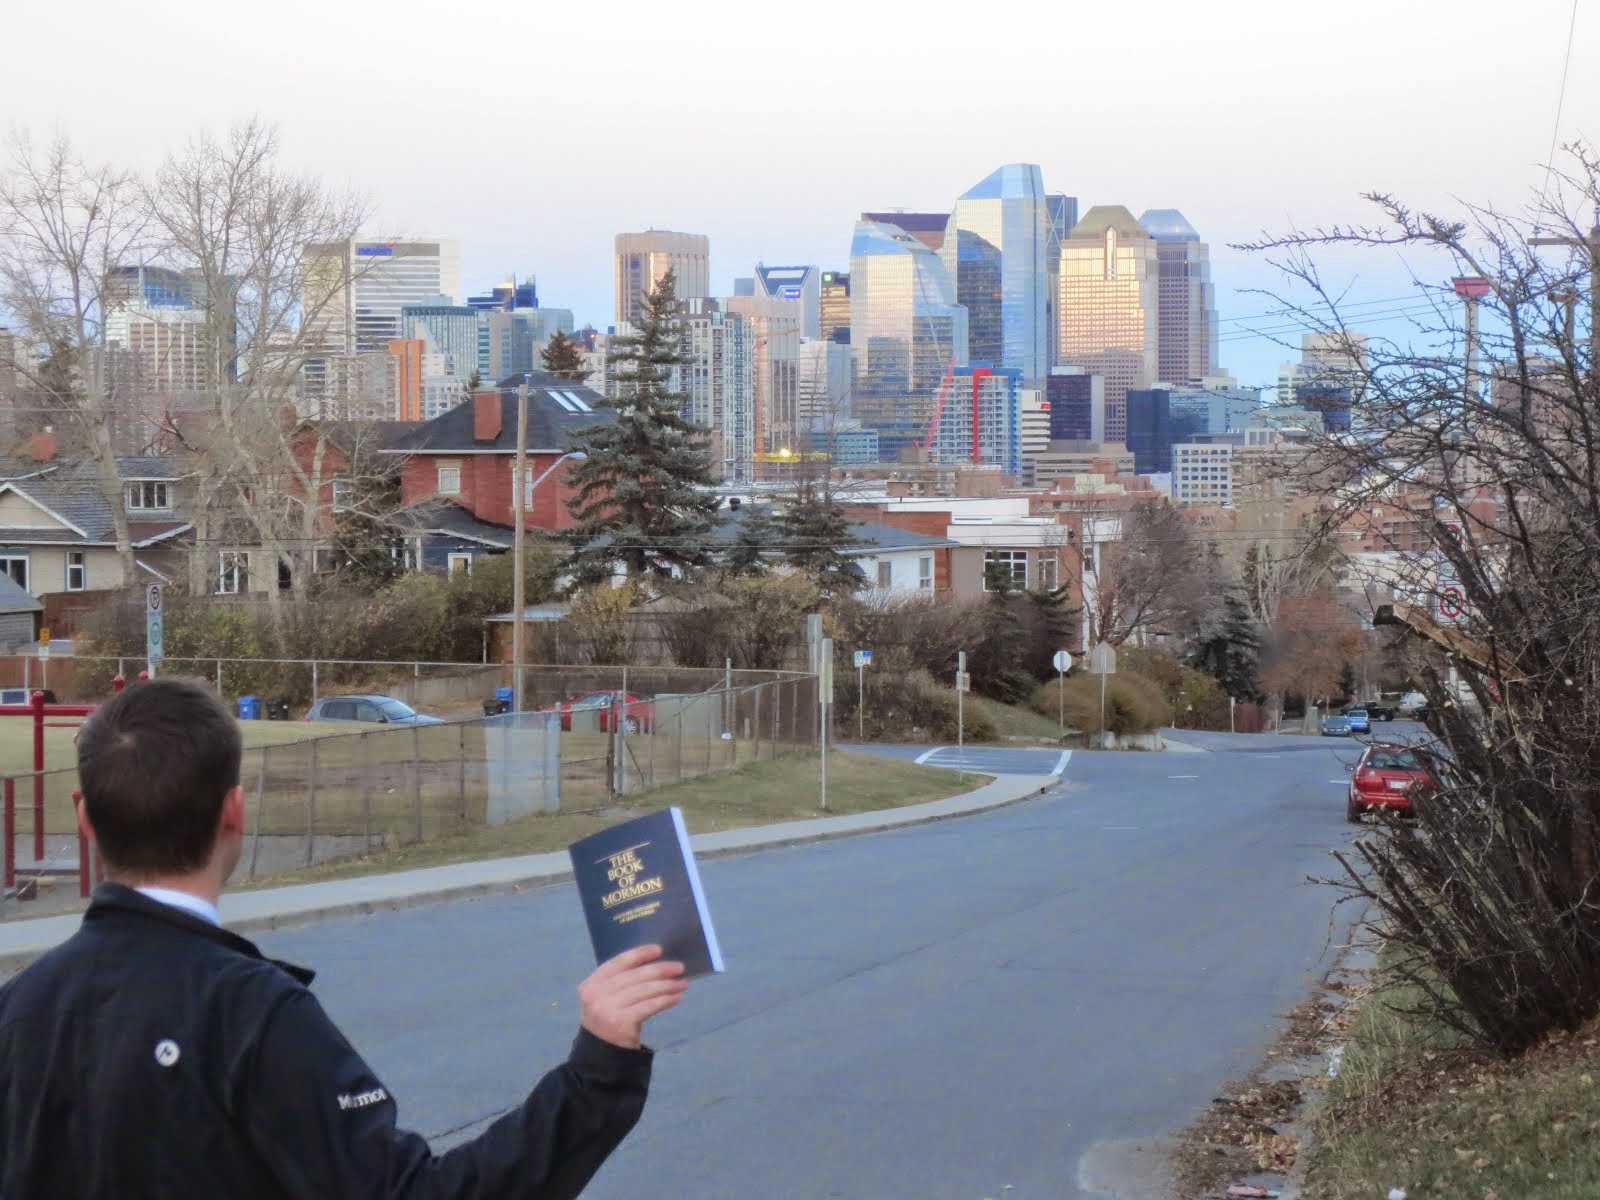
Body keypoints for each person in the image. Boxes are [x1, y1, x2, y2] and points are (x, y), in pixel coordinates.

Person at [0, 678, 688, 1198]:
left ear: (84, 818)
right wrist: (598, 1071)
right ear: (234, 810)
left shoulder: (16, 1009)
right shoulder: (253, 1016)